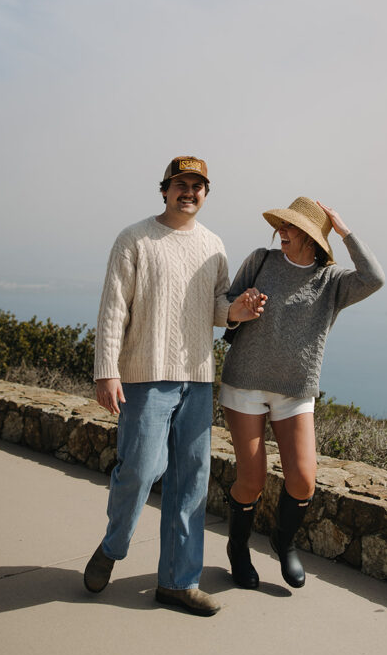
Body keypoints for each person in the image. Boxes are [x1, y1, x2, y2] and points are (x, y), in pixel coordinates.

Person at [84, 155, 266, 616]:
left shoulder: (213, 245)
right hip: (145, 377)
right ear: (163, 189)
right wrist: (107, 370)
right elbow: (112, 310)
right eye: (180, 184)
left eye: (198, 186)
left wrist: (238, 311)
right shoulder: (135, 238)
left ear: (206, 194)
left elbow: (216, 308)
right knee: (140, 470)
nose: (189, 192)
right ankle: (112, 547)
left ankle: (178, 582)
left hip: (198, 378)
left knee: (191, 482)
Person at [219, 196, 384, 590]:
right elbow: (225, 303)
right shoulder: (261, 260)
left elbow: (375, 278)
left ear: (312, 238)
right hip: (244, 382)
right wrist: (240, 306)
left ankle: (284, 541)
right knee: (252, 479)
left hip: (295, 391)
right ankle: (238, 548)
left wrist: (344, 231)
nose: (282, 232)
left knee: (304, 482)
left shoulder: (334, 283)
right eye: (282, 225)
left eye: (291, 228)